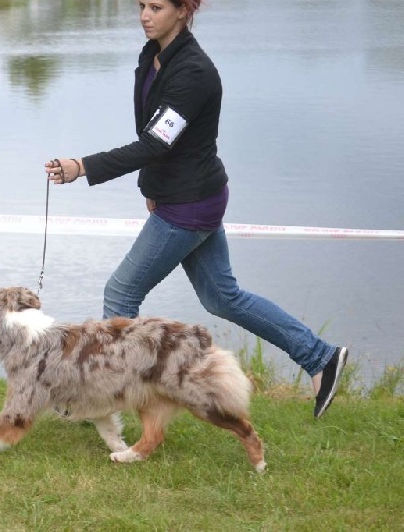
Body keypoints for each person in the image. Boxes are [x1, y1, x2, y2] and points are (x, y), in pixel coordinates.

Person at [44, 0, 348, 418]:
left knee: (121, 293)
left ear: (184, 10)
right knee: (223, 298)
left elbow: (155, 143)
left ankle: (102, 400)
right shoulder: (152, 57)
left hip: (189, 206)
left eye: (156, 6)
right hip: (186, 196)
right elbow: (155, 135)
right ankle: (321, 358)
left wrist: (83, 166)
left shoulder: (194, 72)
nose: (144, 15)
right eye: (141, 5)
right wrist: (152, 186)